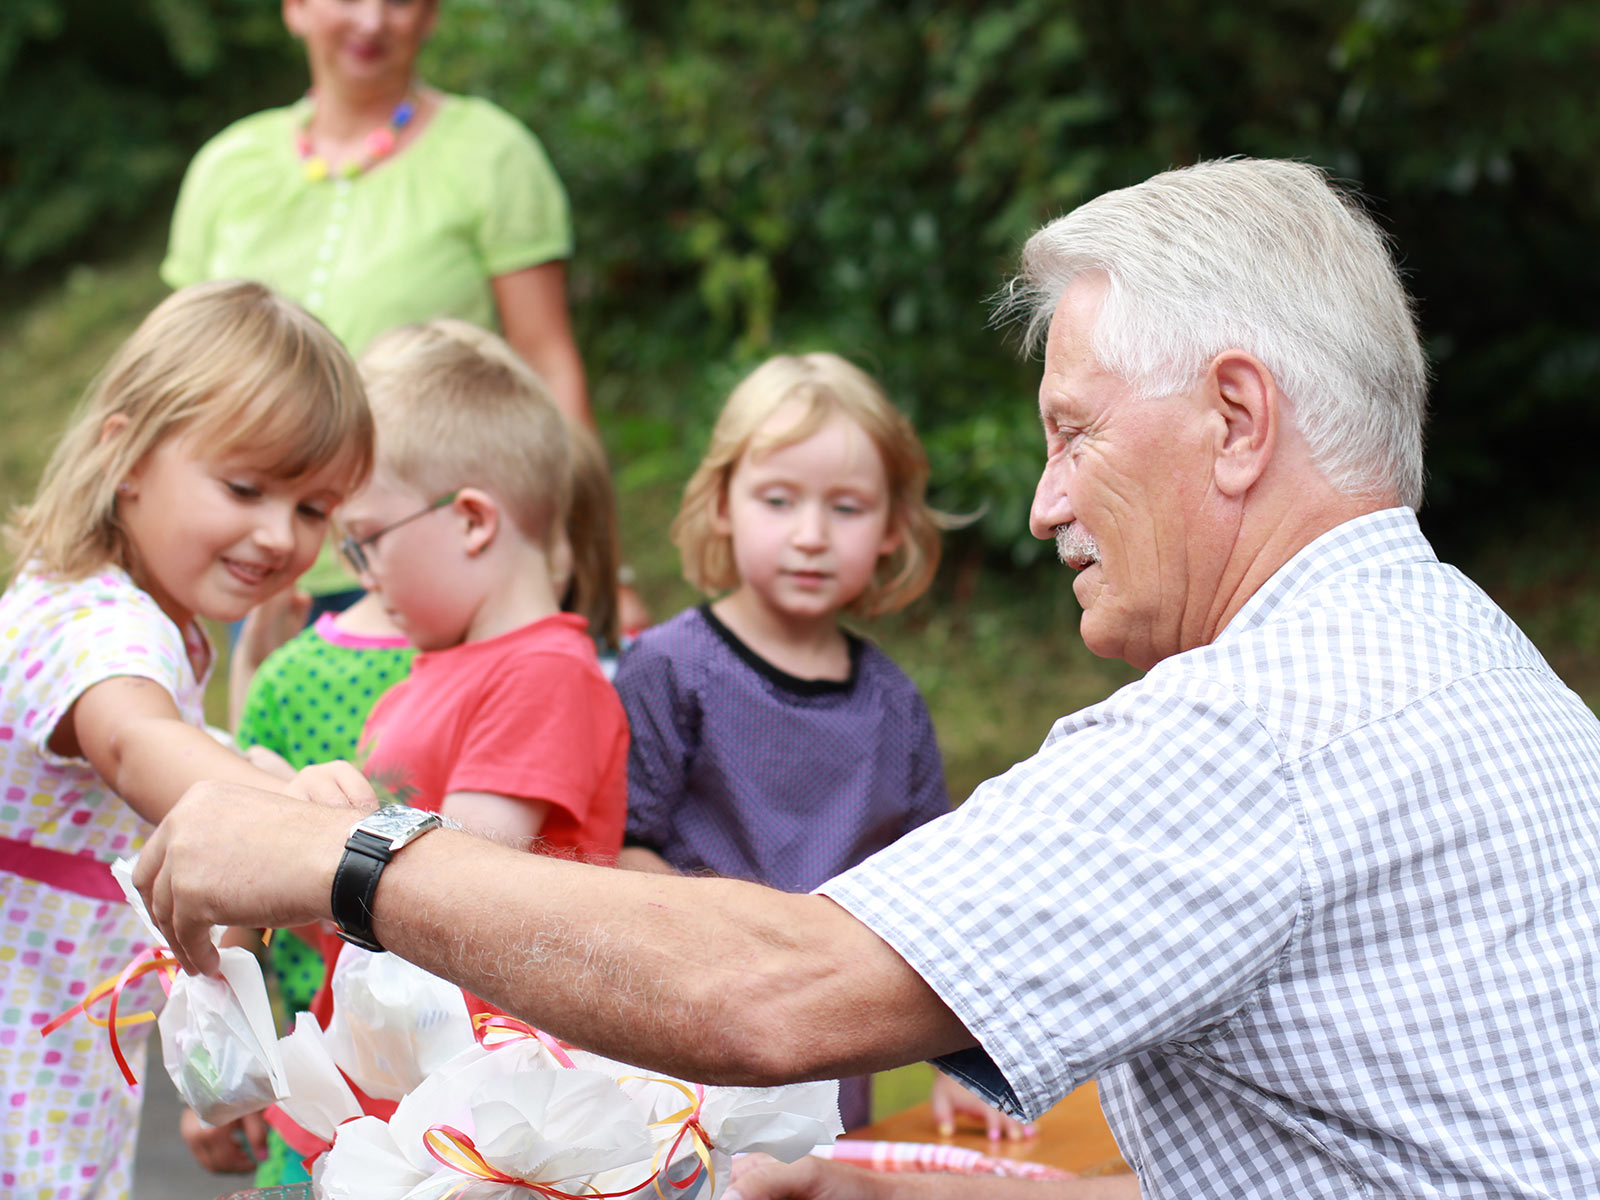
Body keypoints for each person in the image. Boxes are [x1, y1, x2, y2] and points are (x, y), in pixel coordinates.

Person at [136, 159, 1600, 1199]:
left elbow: (779, 991)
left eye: (1073, 433)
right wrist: (904, 1197)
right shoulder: (1468, 659)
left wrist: (342, 852)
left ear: (1234, 419)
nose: (1041, 506)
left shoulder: (1264, 722)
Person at [0, 280, 376, 1200]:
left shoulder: (112, 600)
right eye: (244, 488)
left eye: (314, 507)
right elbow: (135, 741)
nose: (278, 534)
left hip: (55, 1038)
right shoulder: (105, 626)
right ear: (123, 454)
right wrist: (293, 818)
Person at [614, 352, 1018, 1136]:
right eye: (777, 499)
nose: (809, 535)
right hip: (681, 1064)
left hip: (828, 1076)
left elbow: (937, 899)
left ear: (893, 525)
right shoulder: (669, 670)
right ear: (723, 502)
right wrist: (743, 952)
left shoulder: (892, 706)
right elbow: (620, 851)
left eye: (846, 507)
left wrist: (962, 1063)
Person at [162, 0, 591, 618]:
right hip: (257, 554)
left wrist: (572, 540)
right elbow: (177, 380)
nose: (372, 20)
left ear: (431, 15)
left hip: (442, 552)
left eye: (399, 1)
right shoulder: (227, 166)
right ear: (296, 8)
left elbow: (547, 359)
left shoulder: (493, 155)